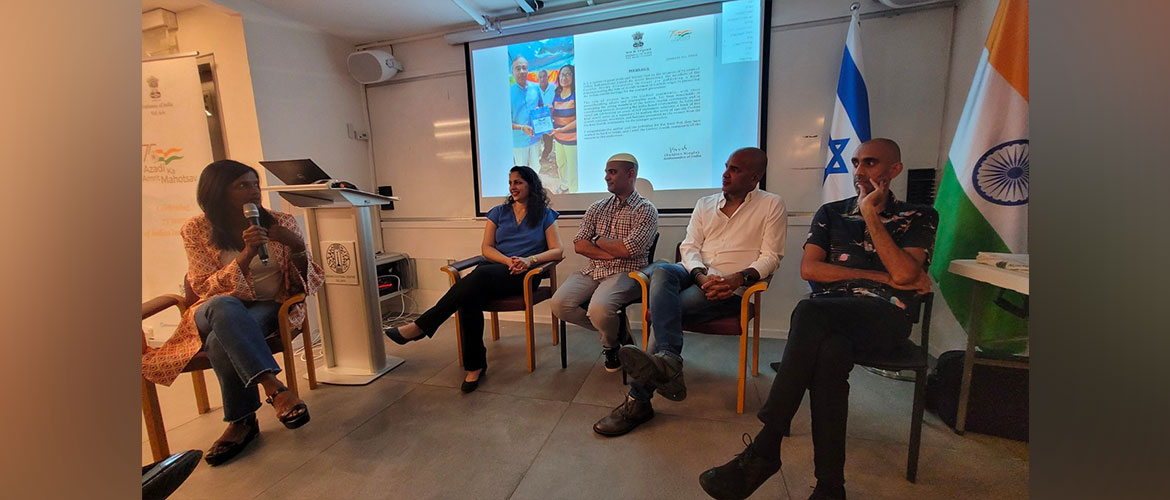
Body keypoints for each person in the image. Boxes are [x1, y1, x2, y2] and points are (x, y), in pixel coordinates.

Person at [697, 139, 937, 500]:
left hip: (885, 318)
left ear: (894, 171)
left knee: (809, 310)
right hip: (832, 316)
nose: (859, 171)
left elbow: (906, 274)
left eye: (870, 163)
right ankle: (830, 488)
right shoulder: (830, 213)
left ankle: (766, 445)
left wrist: (870, 214)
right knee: (828, 355)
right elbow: (811, 268)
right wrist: (883, 278)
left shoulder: (919, 215)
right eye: (856, 162)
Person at [141, 159, 325, 466]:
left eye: (255, 183)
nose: (254, 191)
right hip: (211, 308)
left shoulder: (281, 223)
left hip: (267, 306)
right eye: (243, 185)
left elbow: (301, 284)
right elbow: (203, 288)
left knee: (219, 341)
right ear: (217, 192)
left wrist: (298, 249)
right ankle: (274, 388)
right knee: (222, 306)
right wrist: (247, 254)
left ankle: (242, 422)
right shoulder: (196, 229)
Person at [593, 147, 787, 436]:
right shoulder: (705, 203)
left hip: (730, 289)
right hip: (697, 276)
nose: (725, 173)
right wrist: (698, 274)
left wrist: (737, 278)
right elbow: (689, 247)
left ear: (755, 177)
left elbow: (772, 256)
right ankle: (669, 360)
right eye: (726, 166)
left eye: (735, 169)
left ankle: (639, 400)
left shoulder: (771, 205)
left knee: (663, 311)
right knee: (662, 270)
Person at [384, 166, 563, 392]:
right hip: (496, 270)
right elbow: (486, 248)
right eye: (510, 183)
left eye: (518, 182)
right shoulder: (499, 212)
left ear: (531, 185)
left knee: (475, 279)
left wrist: (529, 260)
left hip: (524, 276)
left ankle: (422, 327)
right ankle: (474, 366)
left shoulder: (545, 214)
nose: (512, 187)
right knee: (470, 295)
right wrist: (507, 261)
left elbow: (558, 251)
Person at [549, 153, 657, 372]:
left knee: (598, 309)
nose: (606, 177)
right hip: (594, 270)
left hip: (628, 273)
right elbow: (579, 244)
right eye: (606, 172)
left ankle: (610, 345)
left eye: (612, 172)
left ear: (631, 174)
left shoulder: (645, 210)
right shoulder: (597, 207)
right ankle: (618, 334)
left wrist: (597, 240)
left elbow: (629, 250)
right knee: (559, 304)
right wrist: (613, 251)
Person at [509, 55, 542, 168]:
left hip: (535, 138)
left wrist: (541, 112)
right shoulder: (507, 93)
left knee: (536, 168)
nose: (522, 71)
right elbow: (504, 123)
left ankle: (536, 186)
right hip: (518, 141)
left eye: (524, 68)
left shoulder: (536, 88)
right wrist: (522, 128)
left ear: (528, 70)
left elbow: (541, 106)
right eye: (518, 68)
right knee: (521, 170)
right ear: (512, 71)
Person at [550, 64, 578, 192]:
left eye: (568, 74)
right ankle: (564, 185)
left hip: (572, 139)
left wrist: (562, 129)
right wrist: (547, 112)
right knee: (561, 163)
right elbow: (554, 114)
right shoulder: (557, 93)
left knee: (573, 167)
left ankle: (573, 191)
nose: (564, 77)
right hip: (558, 137)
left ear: (573, 76)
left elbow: (579, 120)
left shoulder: (576, 94)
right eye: (562, 74)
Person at [537, 69, 557, 165]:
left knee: (548, 143)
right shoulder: (535, 90)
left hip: (550, 121)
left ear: (548, 77)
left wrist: (553, 108)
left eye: (544, 76)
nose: (542, 79)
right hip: (538, 122)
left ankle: (545, 155)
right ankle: (535, 159)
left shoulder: (554, 89)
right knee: (536, 143)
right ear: (538, 79)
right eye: (540, 77)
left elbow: (558, 102)